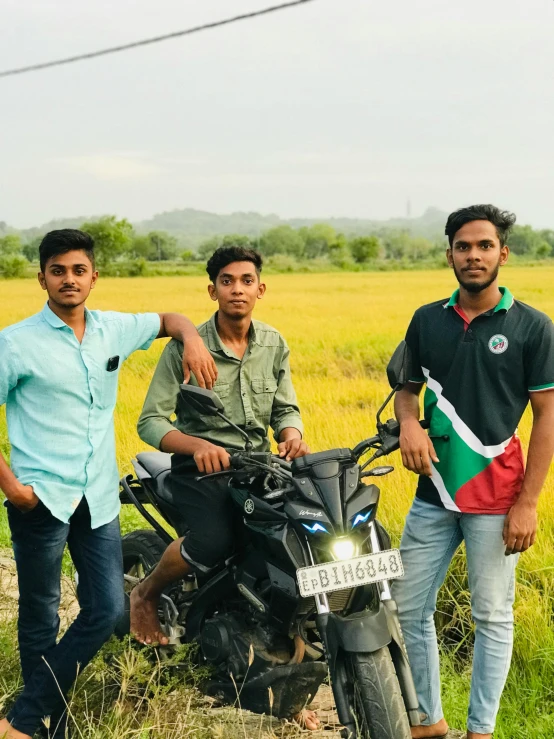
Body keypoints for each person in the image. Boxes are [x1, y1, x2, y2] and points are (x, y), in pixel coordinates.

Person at [0, 229, 217, 739]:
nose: (69, 280)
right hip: (41, 499)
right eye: (58, 271)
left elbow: (171, 319)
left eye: (79, 270)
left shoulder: (113, 330)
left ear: (94, 277)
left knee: (105, 610)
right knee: (40, 614)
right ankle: (47, 727)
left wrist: (191, 340)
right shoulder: (14, 344)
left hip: (97, 498)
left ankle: (20, 719)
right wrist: (12, 488)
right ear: (42, 278)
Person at [131, 245, 319, 729]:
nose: (238, 289)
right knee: (215, 541)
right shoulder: (185, 348)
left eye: (247, 280)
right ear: (212, 289)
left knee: (303, 540)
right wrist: (195, 446)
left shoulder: (273, 343)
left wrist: (292, 434)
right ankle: (146, 595)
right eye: (228, 281)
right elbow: (151, 422)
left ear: (261, 288)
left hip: (258, 465)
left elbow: (284, 407)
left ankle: (288, 655)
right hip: (202, 468)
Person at [392, 204, 554, 739]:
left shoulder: (532, 327)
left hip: (497, 500)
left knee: (492, 617)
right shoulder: (425, 318)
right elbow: (406, 387)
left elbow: (547, 415)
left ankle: (480, 731)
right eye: (464, 247)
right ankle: (428, 722)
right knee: (408, 608)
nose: (474, 255)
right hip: (432, 495)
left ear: (503, 253)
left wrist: (527, 503)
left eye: (485, 246)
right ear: (450, 256)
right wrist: (409, 425)